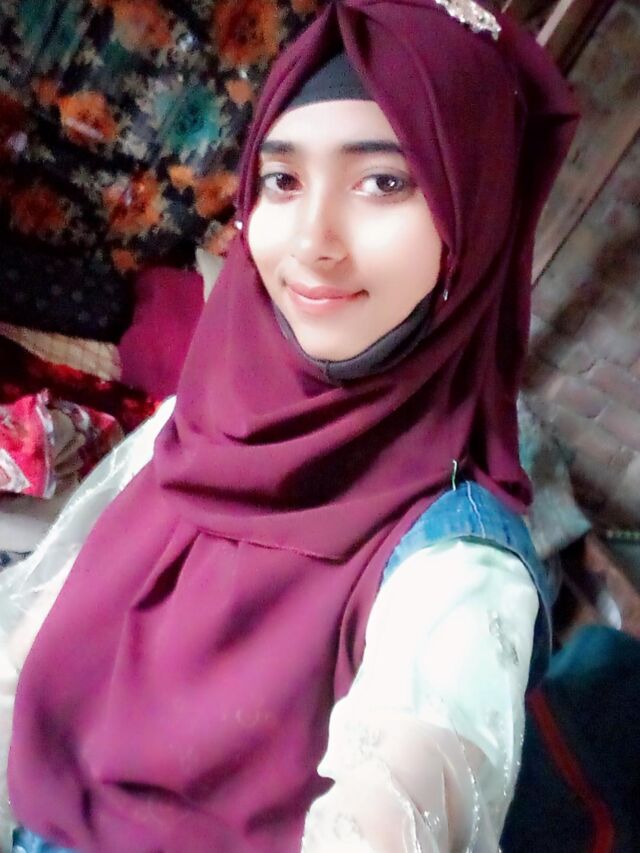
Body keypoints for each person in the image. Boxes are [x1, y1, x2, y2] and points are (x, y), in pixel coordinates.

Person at [5, 0, 578, 850]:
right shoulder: (207, 415)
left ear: (477, 219)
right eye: (282, 179)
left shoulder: (455, 568)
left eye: (384, 182)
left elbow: (406, 799)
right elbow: (37, 630)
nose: (313, 241)